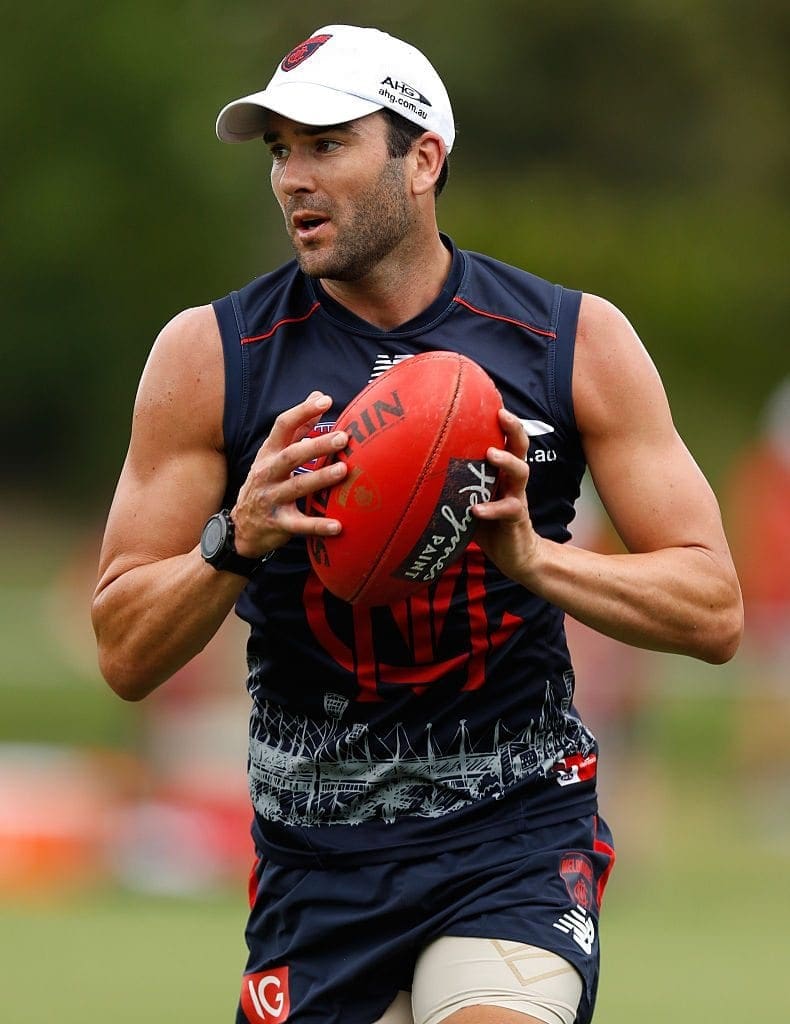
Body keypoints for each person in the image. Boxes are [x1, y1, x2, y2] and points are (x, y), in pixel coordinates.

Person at [91, 24, 743, 1024]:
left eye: (326, 143)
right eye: (280, 151)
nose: (293, 179)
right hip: (317, 862)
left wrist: (534, 557)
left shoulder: (574, 341)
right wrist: (239, 536)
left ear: (422, 157)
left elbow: (712, 608)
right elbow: (124, 650)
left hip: (512, 827)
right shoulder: (210, 357)